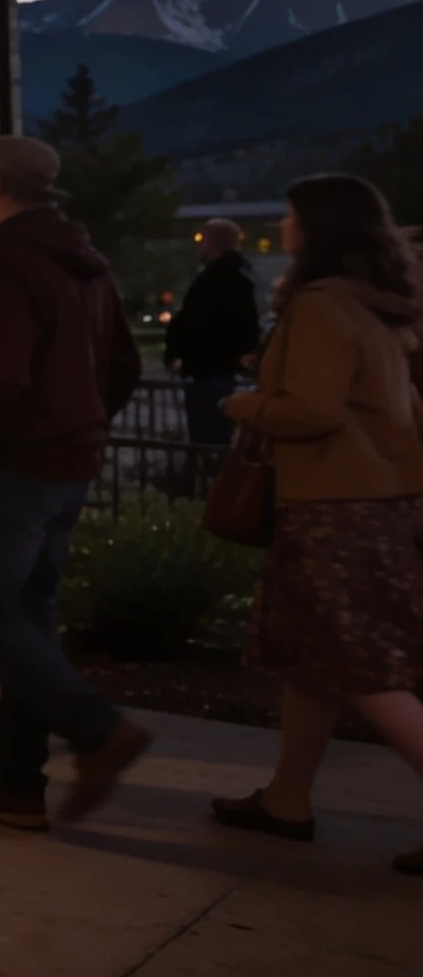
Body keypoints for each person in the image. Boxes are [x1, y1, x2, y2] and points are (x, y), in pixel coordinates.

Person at [0, 135, 148, 831]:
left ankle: (98, 731)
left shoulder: (3, 266)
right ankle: (16, 783)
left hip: (11, 468)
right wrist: (77, 423)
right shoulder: (86, 263)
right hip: (65, 464)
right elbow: (122, 367)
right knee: (26, 616)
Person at [208, 174, 423, 880]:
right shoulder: (379, 304)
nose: (284, 223)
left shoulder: (323, 304)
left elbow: (313, 410)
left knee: (361, 667)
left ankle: (286, 799)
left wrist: (247, 405)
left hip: (331, 507)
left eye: (293, 214)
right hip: (376, 499)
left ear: (318, 228)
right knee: (313, 663)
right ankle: (286, 799)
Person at [165, 218, 264, 444]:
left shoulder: (215, 279)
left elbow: (194, 320)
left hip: (207, 368)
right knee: (216, 434)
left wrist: (177, 351)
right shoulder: (240, 277)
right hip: (217, 367)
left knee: (207, 435)